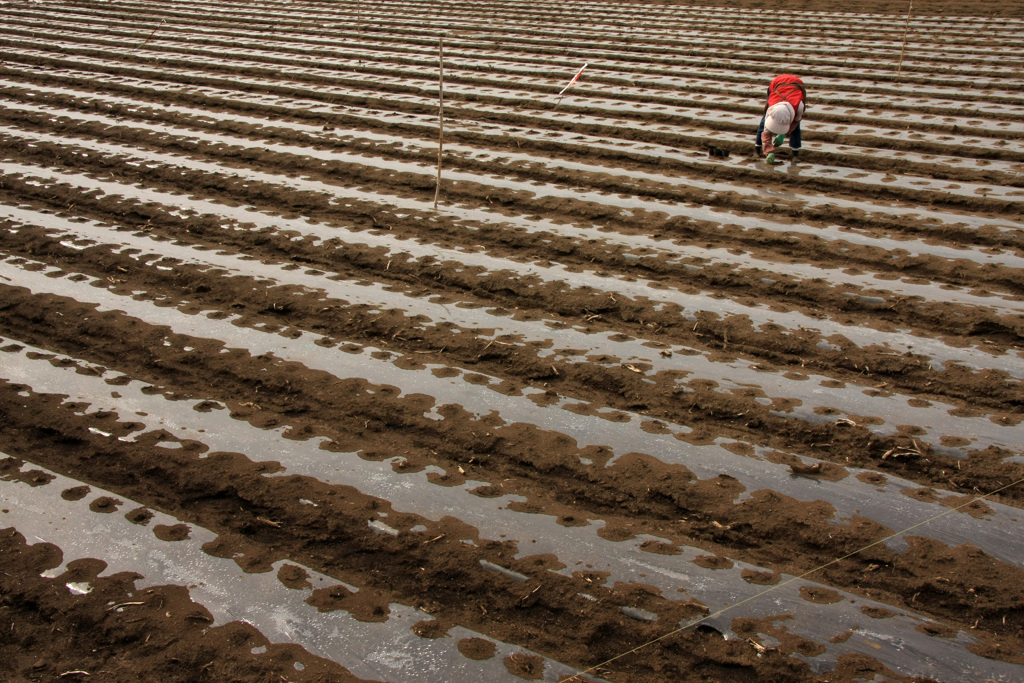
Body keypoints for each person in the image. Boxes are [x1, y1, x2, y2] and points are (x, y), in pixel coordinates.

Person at [755, 74, 806, 159]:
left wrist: (784, 134)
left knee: (796, 128)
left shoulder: (799, 106)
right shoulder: (771, 107)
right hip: (777, 83)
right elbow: (766, 130)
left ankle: (795, 154)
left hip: (797, 85)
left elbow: (796, 122)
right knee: (764, 122)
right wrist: (768, 150)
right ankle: (756, 149)